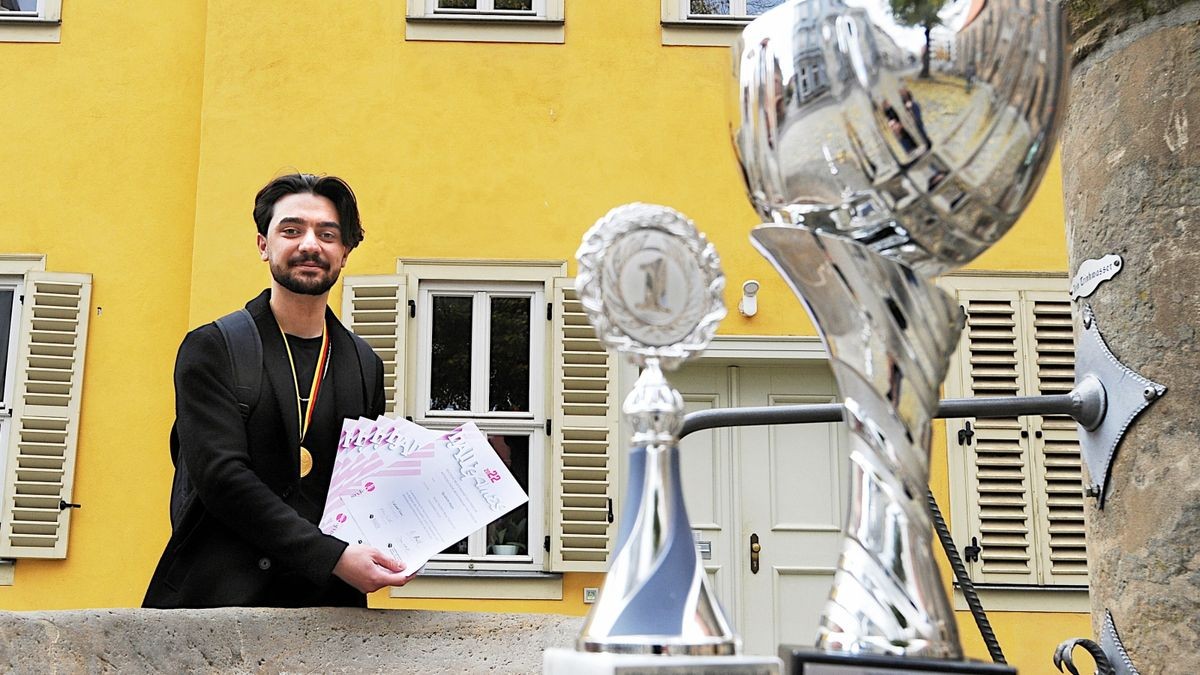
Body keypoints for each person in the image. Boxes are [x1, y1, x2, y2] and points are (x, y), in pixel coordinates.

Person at [144, 173, 414, 608]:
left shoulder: (365, 364)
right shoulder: (213, 347)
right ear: (263, 245)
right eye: (292, 230)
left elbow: (362, 486)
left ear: (344, 252)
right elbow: (221, 478)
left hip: (327, 610)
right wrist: (333, 557)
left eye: (328, 234)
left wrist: (409, 537)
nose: (311, 245)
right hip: (218, 604)